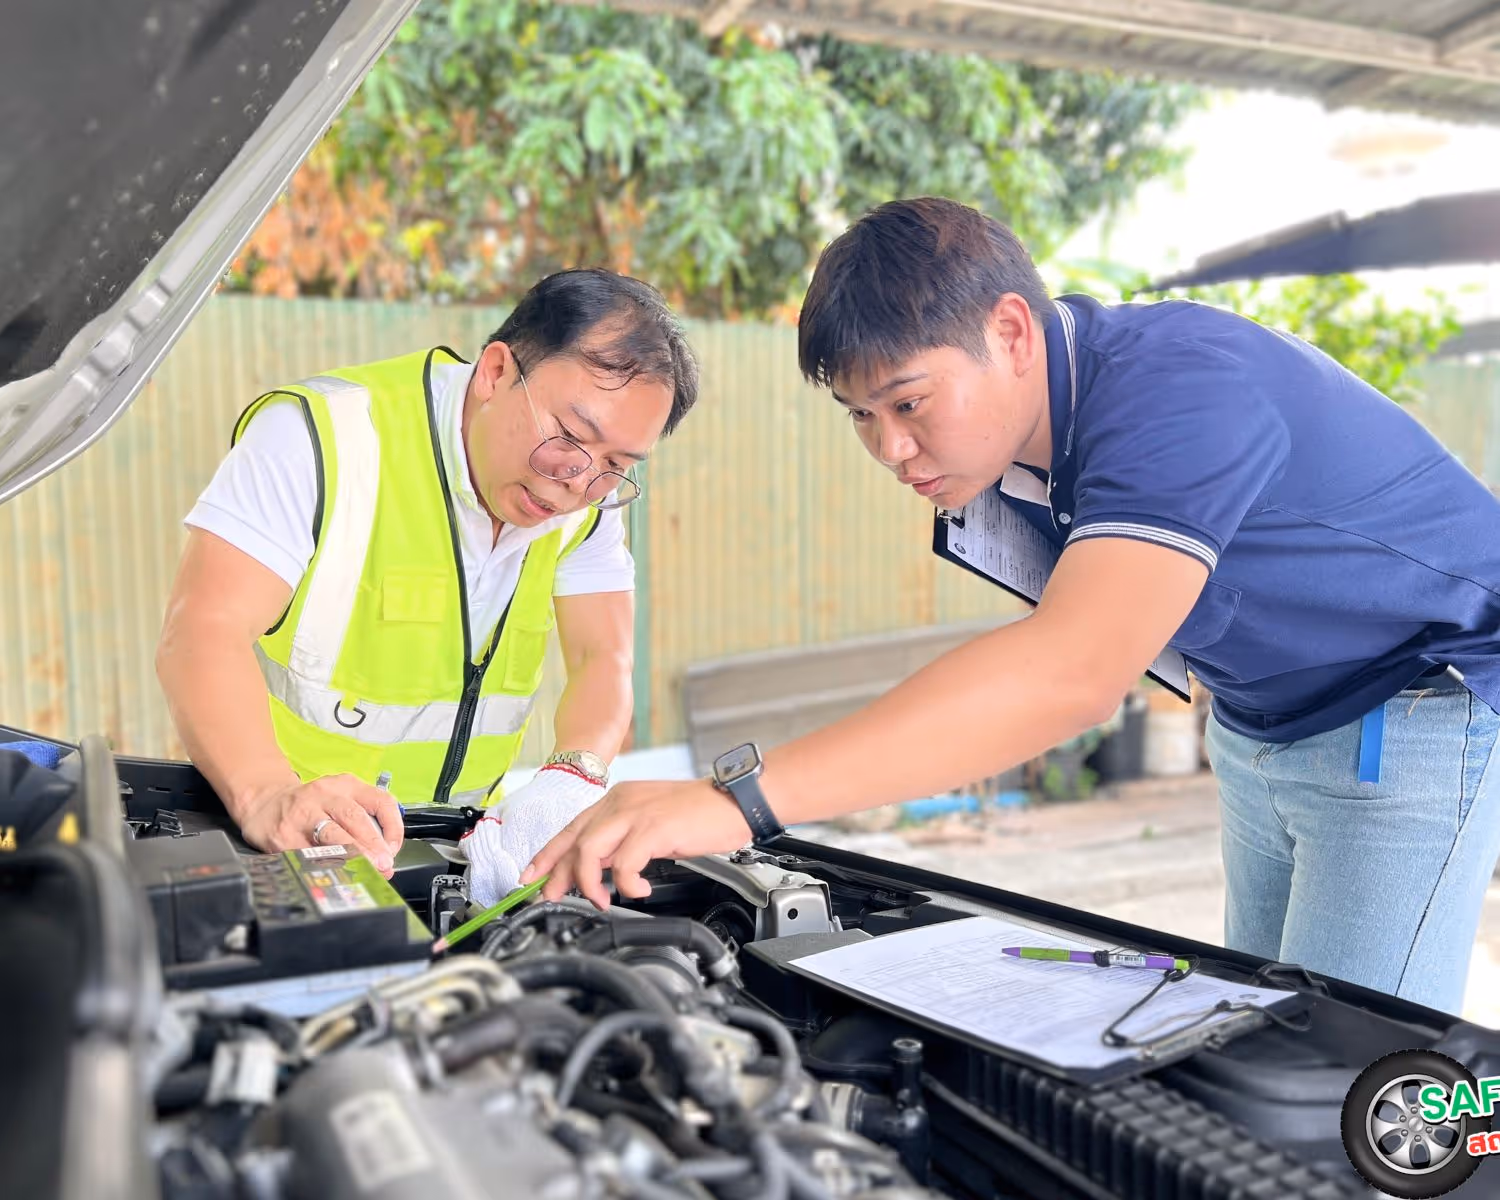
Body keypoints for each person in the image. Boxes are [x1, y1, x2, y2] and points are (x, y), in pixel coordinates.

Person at [525, 197, 1500, 1015]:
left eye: (909, 404)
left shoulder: (1177, 392)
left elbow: (1070, 673)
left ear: (1012, 331)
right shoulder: (1016, 447)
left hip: (1414, 707)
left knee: (1355, 1078)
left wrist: (735, 802)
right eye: (863, 416)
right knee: (1259, 1034)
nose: (891, 450)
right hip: (1259, 724)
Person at [157, 268, 699, 892]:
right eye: (572, 439)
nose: (578, 482)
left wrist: (571, 776)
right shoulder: (320, 438)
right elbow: (201, 633)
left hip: (459, 859)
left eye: (615, 466)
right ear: (496, 372)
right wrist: (267, 796)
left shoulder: (585, 504)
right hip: (295, 841)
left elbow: (602, 655)